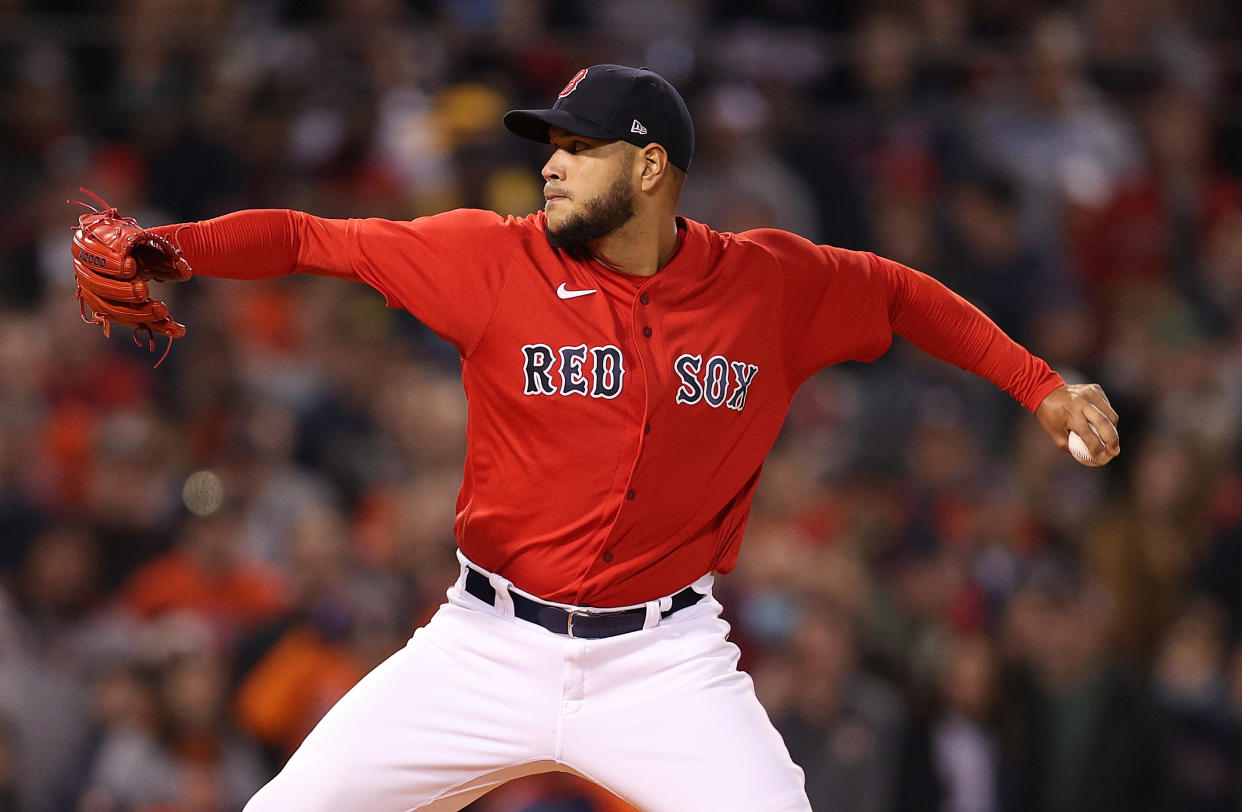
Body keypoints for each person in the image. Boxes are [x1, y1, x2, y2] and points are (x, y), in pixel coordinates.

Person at [74, 64, 1120, 811]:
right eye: (550, 148)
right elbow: (313, 238)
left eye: (579, 148)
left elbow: (900, 296)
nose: (552, 167)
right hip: (484, 645)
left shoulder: (768, 284)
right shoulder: (493, 258)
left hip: (666, 660)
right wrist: (174, 250)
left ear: (653, 167)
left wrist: (1038, 386)